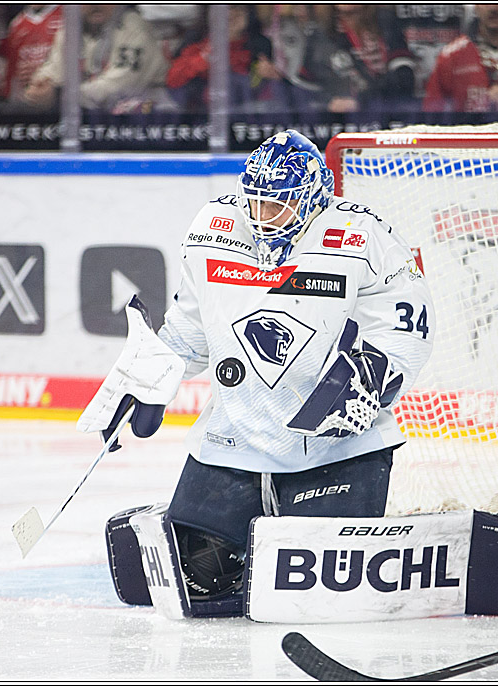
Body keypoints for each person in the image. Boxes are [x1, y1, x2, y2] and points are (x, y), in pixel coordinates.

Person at [82, 130, 434, 615]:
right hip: (234, 441)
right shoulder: (214, 228)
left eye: (278, 206)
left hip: (337, 447)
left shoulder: (361, 234)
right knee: (197, 590)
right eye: (255, 202)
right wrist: (147, 381)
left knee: (318, 597)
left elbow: (408, 322)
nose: (262, 217)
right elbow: (189, 329)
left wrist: (367, 384)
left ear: (312, 199)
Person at [24, 4, 171, 114]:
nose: (96, 5)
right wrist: (40, 86)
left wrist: (58, 95)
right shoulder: (71, 29)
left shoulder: (135, 27)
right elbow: (54, 71)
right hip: (91, 119)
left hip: (146, 119)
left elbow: (117, 88)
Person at [165, 4, 288, 113]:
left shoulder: (261, 44)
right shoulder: (196, 41)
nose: (231, 14)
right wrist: (202, 59)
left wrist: (271, 77)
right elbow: (173, 81)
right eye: (225, 8)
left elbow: (275, 95)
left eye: (238, 8)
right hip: (200, 119)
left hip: (247, 119)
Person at [423, 4, 498, 113]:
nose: (493, 8)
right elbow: (431, 115)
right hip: (470, 135)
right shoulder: (451, 56)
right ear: (475, 6)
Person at [297, 4, 418, 113]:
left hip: (387, 117)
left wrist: (363, 101)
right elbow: (305, 93)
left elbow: (405, 79)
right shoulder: (320, 36)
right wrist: (328, 103)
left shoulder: (387, 24)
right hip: (339, 122)